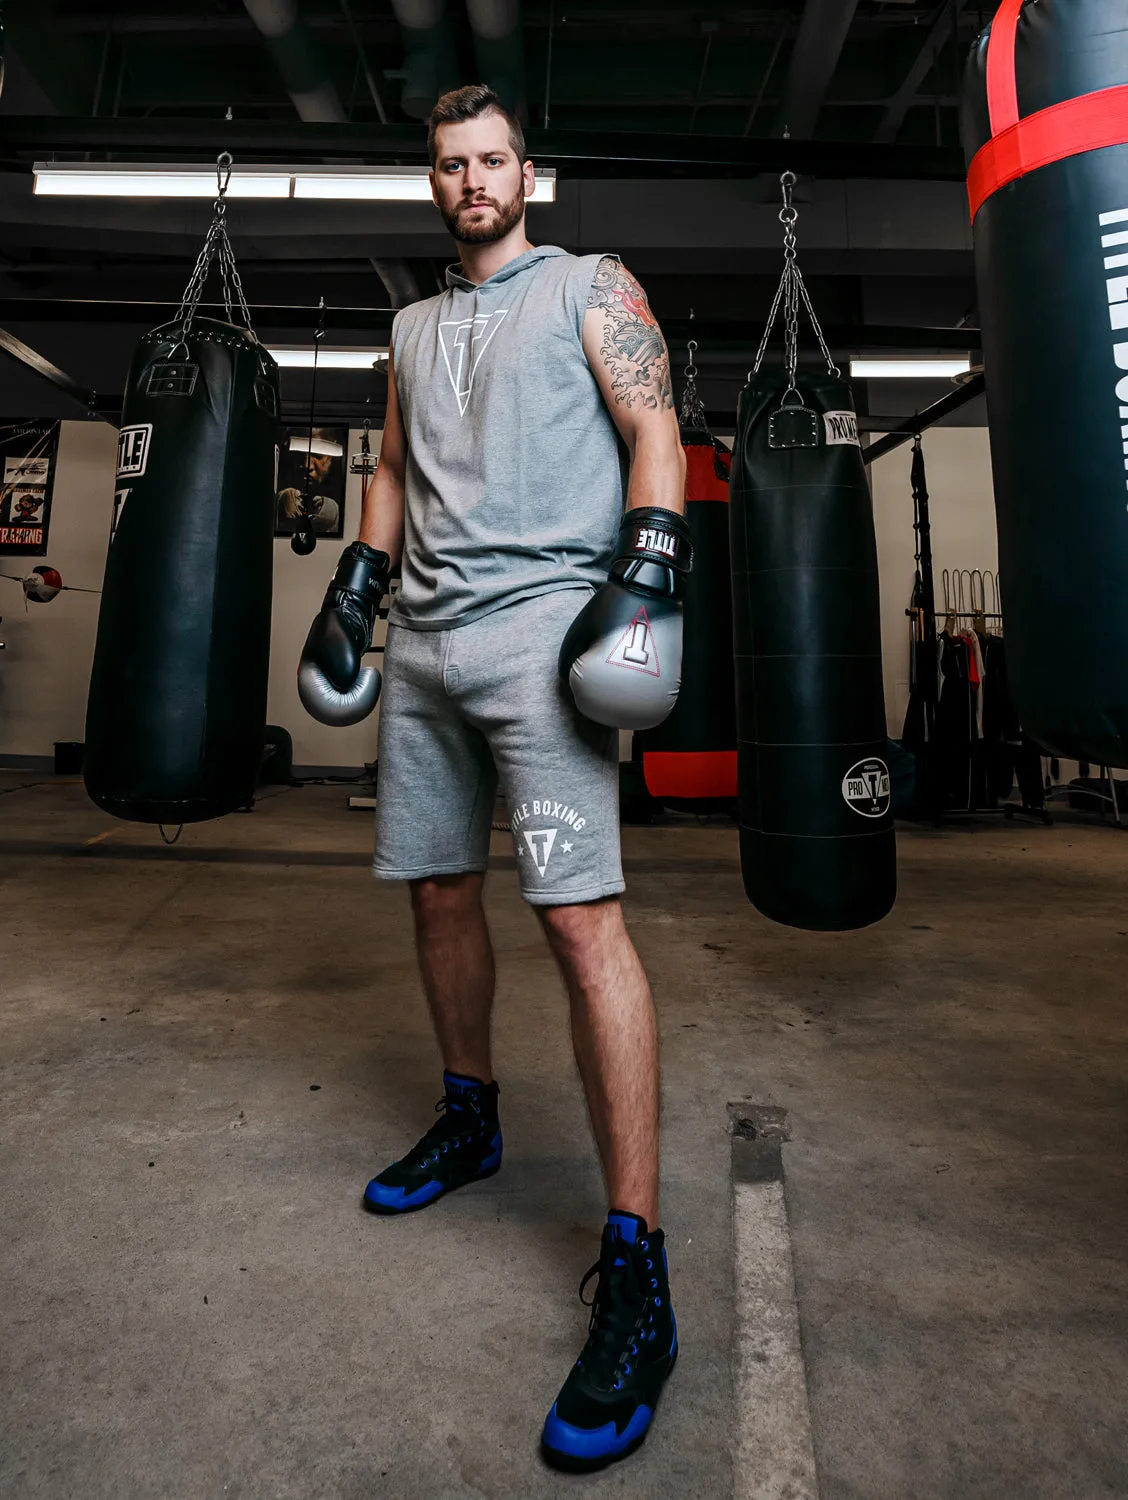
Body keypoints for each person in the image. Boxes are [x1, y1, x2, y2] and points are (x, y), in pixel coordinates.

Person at [301, 84, 690, 1472]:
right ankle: (470, 1120)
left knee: (580, 921)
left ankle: (636, 1265)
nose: (471, 180)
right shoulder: (410, 328)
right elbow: (395, 470)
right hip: (425, 648)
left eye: (491, 159)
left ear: (530, 171)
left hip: (546, 643)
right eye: (450, 165)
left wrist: (645, 565)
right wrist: (357, 581)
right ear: (433, 184)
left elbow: (654, 433)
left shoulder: (591, 283)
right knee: (435, 892)